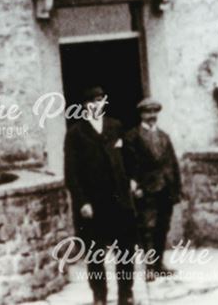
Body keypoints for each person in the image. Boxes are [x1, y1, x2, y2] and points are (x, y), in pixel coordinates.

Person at [64, 85, 136, 305]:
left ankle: (126, 293)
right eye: (90, 102)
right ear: (84, 106)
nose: (96, 105)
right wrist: (82, 201)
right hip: (93, 203)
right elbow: (71, 172)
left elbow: (129, 157)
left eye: (99, 100)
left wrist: (132, 180)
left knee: (125, 251)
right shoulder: (76, 133)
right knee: (95, 254)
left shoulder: (116, 126)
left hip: (119, 200)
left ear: (105, 102)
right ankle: (99, 296)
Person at [123, 98, 182, 283]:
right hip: (146, 189)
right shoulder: (132, 136)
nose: (152, 116)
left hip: (166, 188)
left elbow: (173, 163)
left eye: (155, 112)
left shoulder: (164, 136)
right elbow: (128, 165)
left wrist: (177, 188)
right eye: (148, 112)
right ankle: (149, 267)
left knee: (162, 227)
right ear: (141, 114)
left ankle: (159, 264)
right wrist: (134, 185)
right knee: (147, 227)